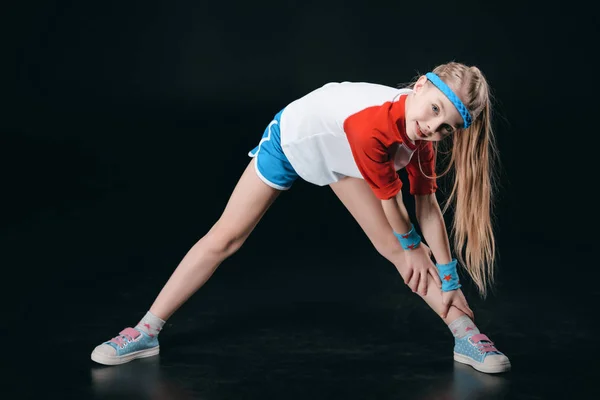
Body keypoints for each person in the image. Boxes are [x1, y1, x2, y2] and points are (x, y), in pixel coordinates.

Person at [91, 61, 511, 374]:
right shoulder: (373, 127)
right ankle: (144, 332)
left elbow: (427, 209)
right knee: (225, 238)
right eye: (434, 109)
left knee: (401, 255)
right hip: (293, 141)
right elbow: (396, 208)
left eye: (446, 127)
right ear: (420, 86)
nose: (433, 126)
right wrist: (412, 246)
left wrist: (449, 277)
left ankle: (466, 335)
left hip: (343, 158)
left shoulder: (422, 137)